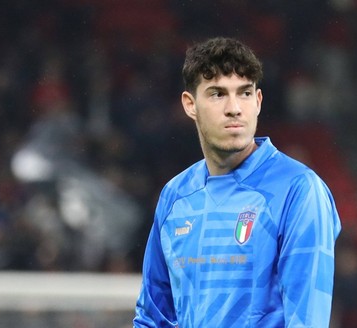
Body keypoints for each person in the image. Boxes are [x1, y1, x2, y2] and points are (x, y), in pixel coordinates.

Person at [133, 37, 342, 327]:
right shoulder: (175, 196)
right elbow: (152, 317)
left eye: (244, 93)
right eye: (218, 94)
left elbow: (306, 320)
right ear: (190, 104)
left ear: (257, 101)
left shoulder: (299, 190)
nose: (234, 108)